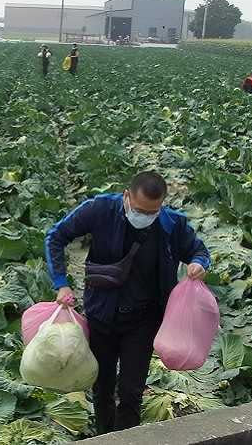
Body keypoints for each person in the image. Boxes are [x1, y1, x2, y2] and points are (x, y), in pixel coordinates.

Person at [44, 171, 210, 434]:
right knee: (102, 388)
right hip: (101, 315)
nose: (144, 217)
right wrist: (60, 282)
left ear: (161, 206)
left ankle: (128, 438)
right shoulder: (100, 209)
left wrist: (199, 264)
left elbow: (199, 251)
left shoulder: (171, 224)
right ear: (126, 197)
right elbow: (55, 236)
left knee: (132, 391)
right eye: (139, 210)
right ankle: (104, 436)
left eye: (152, 212)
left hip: (144, 320)